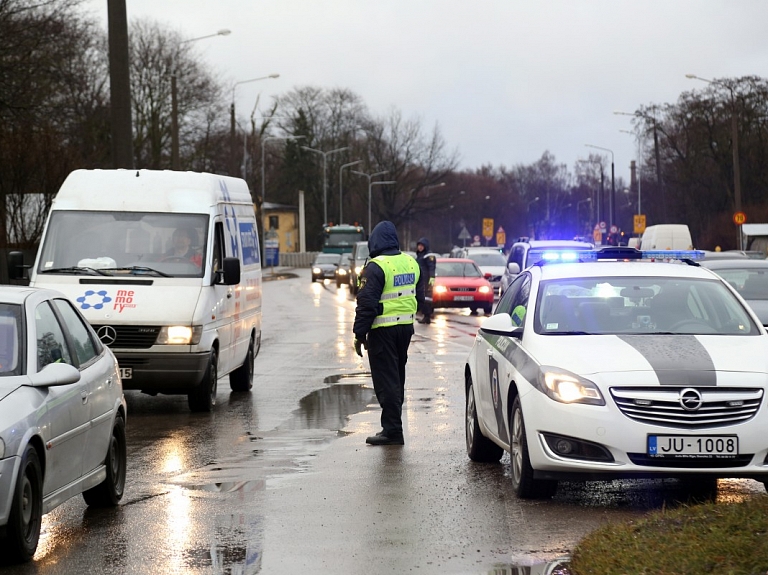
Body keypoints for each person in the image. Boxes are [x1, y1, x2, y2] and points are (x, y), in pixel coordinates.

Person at [353, 221, 425, 446]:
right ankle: (392, 426)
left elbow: (366, 304)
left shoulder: (376, 267)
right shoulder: (411, 263)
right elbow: (419, 298)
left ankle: (393, 430)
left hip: (382, 331)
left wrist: (359, 334)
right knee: (397, 378)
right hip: (405, 330)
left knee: (387, 381)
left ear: (374, 242)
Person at [415, 237, 436, 324]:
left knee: (426, 298)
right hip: (420, 279)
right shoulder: (420, 255)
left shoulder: (428, 255)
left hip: (425, 280)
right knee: (422, 297)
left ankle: (427, 316)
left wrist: (431, 278)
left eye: (421, 246)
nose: (420, 247)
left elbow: (431, 267)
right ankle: (425, 315)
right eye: (419, 245)